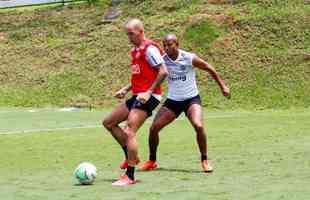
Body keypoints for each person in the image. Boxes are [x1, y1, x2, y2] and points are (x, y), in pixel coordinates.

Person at [140, 34, 230, 172]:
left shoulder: (189, 57)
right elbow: (148, 76)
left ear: (177, 44)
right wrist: (127, 88)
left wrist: (223, 86)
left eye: (169, 44)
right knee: (153, 128)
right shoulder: (162, 61)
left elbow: (209, 68)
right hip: (173, 101)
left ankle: (204, 160)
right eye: (164, 45)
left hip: (191, 99)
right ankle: (152, 161)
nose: (166, 47)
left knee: (198, 125)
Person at [102, 19, 168, 186]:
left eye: (131, 33)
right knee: (109, 122)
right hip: (138, 95)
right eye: (127, 34)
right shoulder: (135, 51)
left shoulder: (149, 49)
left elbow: (163, 72)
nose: (129, 37)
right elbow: (142, 77)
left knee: (129, 130)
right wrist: (125, 89)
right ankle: (131, 157)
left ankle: (129, 176)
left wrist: (149, 92)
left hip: (149, 97)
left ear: (140, 31)